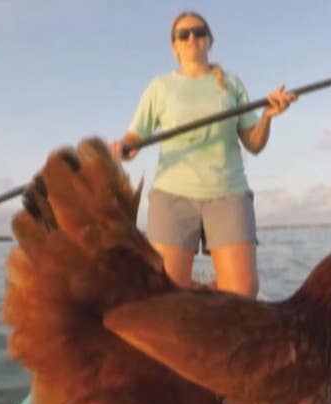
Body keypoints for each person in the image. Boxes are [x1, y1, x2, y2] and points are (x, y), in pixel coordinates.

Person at [112, 11, 296, 298]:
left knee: (244, 291)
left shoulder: (232, 84)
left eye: (198, 32)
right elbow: (135, 136)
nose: (192, 38)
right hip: (172, 194)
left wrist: (268, 117)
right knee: (166, 295)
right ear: (174, 48)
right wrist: (126, 146)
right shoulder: (159, 87)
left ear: (210, 40)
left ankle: (205, 308)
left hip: (228, 191)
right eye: (183, 35)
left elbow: (254, 144)